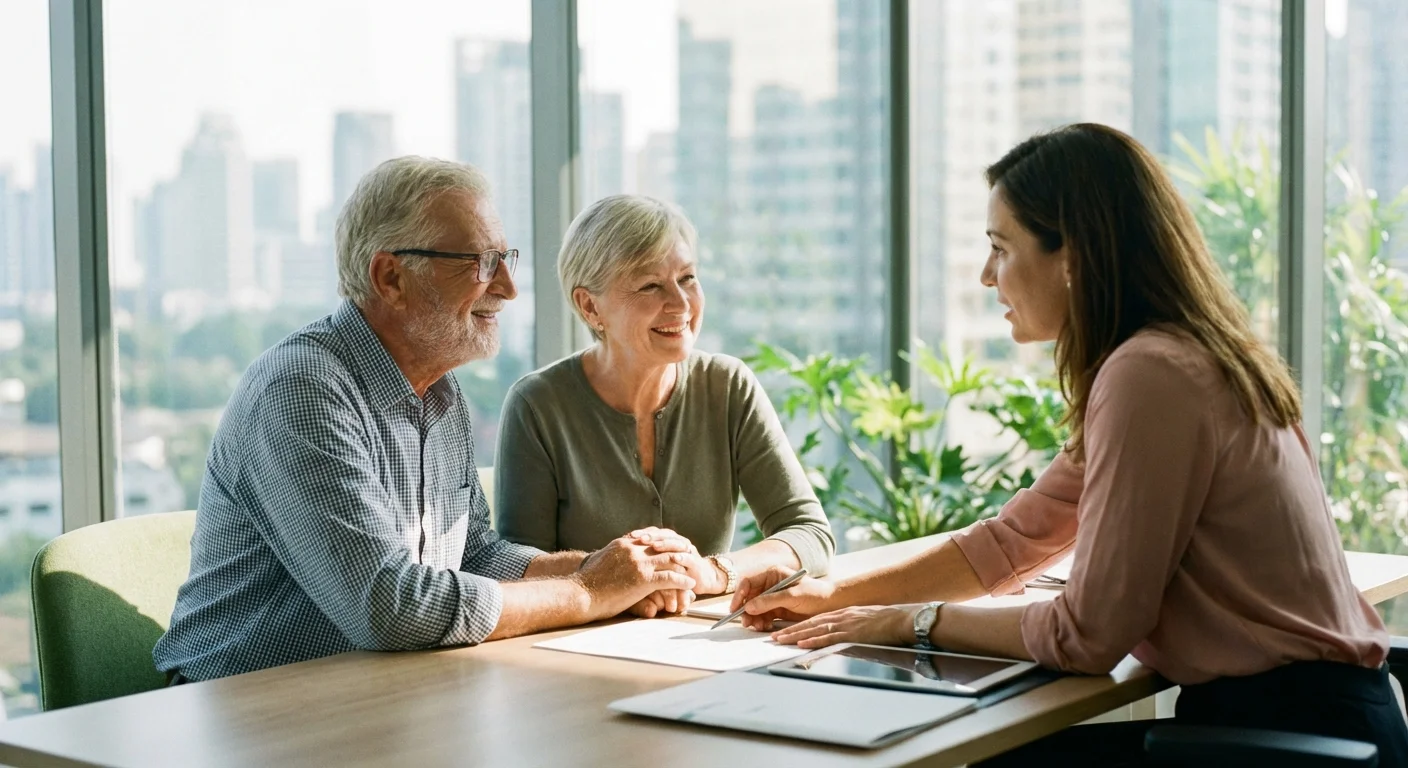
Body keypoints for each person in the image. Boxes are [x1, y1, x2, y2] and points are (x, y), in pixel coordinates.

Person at [727, 124, 1408, 765]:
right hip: (1319, 724)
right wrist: (831, 593)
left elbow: (1087, 636)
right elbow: (1012, 542)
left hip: (1289, 738)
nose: (986, 277)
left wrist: (910, 623)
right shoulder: (1180, 357)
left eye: (1001, 247)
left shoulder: (1150, 375)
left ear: (1073, 257)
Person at [154, 158, 695, 683]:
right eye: (481, 263)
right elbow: (388, 604)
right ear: (391, 277)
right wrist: (589, 592)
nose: (507, 287)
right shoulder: (301, 389)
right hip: (243, 713)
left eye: (505, 258)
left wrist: (607, 569)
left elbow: (475, 552)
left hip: (374, 697)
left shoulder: (439, 389)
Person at [494, 194, 835, 617]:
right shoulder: (537, 405)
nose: (681, 304)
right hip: (577, 654)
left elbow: (809, 533)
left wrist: (712, 572)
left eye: (688, 278)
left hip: (698, 647)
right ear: (590, 306)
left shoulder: (728, 386)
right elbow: (518, 568)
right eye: (650, 285)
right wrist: (617, 585)